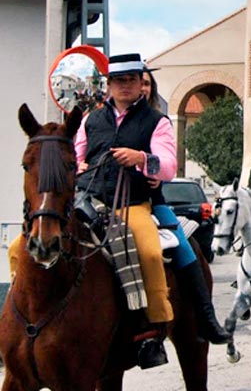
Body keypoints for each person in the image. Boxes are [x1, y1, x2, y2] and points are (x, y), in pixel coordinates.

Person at [71, 54, 181, 367]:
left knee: (148, 252)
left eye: (132, 79)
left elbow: (169, 167)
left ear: (139, 82)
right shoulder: (90, 120)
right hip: (89, 202)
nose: (126, 85)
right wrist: (77, 165)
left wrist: (141, 158)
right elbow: (76, 155)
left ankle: (154, 330)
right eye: (119, 80)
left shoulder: (157, 122)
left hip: (131, 205)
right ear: (108, 85)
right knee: (26, 246)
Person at [139, 66, 231, 346]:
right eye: (135, 82)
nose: (140, 88)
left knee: (183, 247)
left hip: (149, 201)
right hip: (102, 200)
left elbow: (167, 163)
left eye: (145, 83)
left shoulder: (157, 121)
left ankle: (204, 315)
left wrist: (147, 166)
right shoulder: (100, 120)